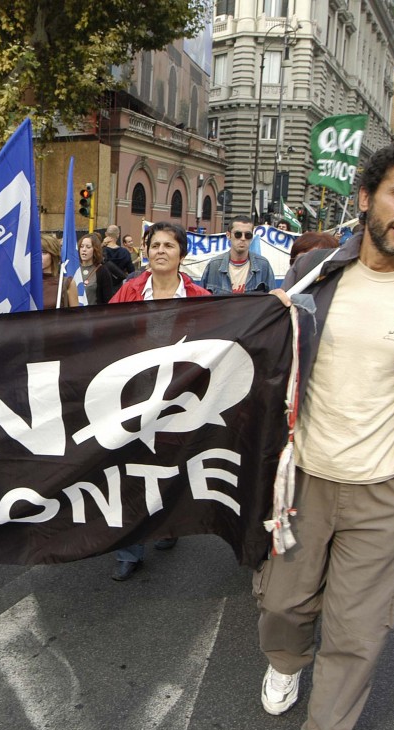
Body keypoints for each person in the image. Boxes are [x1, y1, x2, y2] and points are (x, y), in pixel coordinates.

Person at [256, 139, 394, 730]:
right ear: (367, 198)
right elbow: (267, 362)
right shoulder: (316, 275)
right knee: (284, 604)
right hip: (305, 480)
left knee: (359, 625)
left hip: (389, 491)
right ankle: (286, 663)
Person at [106, 221, 211, 580]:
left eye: (169, 245)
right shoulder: (128, 291)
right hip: (134, 397)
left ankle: (167, 524)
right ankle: (129, 548)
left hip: (180, 397)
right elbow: (106, 333)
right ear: (145, 251)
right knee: (130, 468)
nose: (161, 251)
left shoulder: (200, 298)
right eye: (155, 245)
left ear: (182, 253)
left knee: (171, 465)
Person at [200, 216, 275, 294]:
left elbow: (272, 299)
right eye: (238, 234)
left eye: (248, 235)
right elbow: (202, 301)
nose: (243, 238)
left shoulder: (263, 265)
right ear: (228, 235)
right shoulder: (214, 265)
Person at [40, 235, 79, 309]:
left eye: (43, 252)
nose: (39, 256)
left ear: (53, 255)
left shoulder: (66, 283)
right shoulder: (28, 283)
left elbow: (76, 317)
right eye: (36, 252)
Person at [79, 233, 117, 305]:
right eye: (81, 246)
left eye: (88, 247)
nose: (84, 249)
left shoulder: (102, 271)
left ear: (95, 249)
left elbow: (107, 299)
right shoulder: (74, 269)